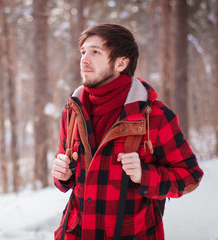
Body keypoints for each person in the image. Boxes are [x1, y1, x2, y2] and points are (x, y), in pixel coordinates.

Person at [51, 24, 204, 240]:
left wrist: (144, 175)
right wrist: (63, 176)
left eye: (96, 52)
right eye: (83, 52)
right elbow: (69, 177)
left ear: (121, 62)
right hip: (76, 233)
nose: (84, 59)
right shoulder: (73, 111)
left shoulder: (154, 116)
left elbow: (190, 176)